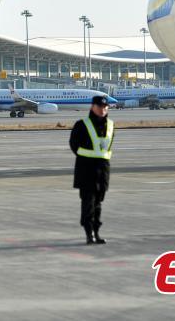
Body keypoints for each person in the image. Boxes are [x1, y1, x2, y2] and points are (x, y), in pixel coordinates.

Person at [69, 95, 114, 245]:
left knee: (98, 204)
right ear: (92, 107)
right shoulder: (82, 125)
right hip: (86, 170)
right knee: (88, 203)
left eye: (105, 107)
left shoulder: (111, 125)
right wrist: (86, 159)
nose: (103, 110)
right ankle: (89, 234)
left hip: (103, 171)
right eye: (99, 107)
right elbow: (74, 144)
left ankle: (96, 232)